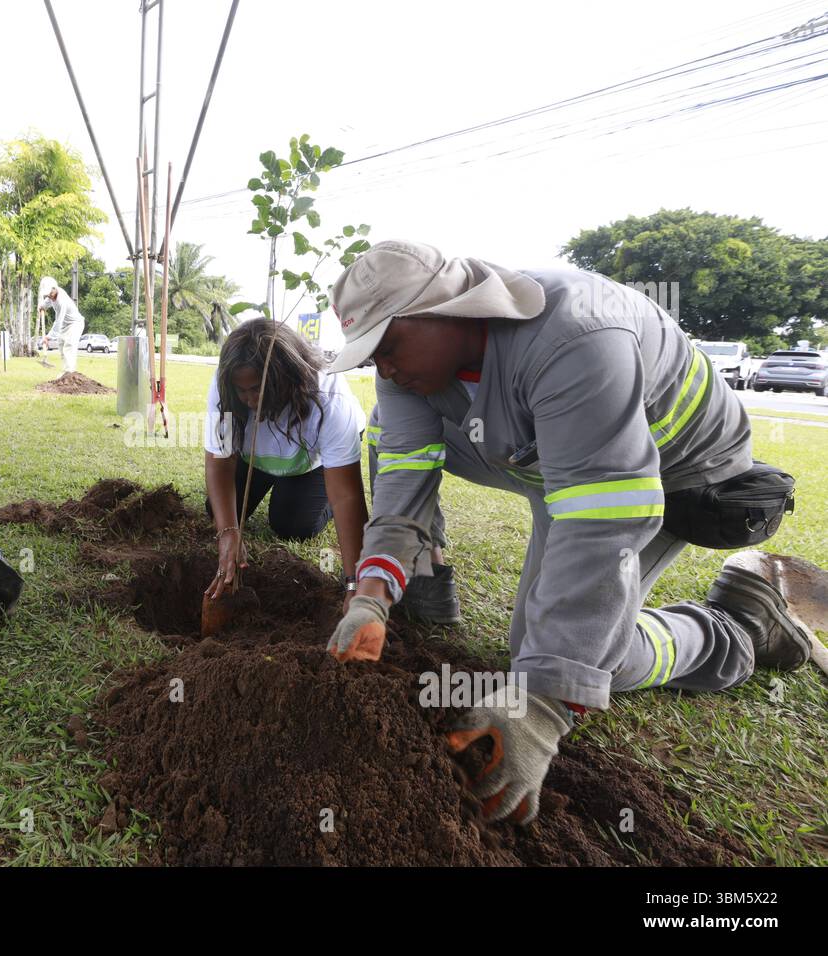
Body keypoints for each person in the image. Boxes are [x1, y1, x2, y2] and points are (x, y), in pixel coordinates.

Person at [325, 239, 813, 825]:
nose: (384, 367)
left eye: (388, 345)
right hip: (554, 457)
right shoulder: (409, 377)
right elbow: (404, 475)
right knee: (386, 433)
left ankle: (732, 633)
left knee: (562, 657)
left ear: (446, 307)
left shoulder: (576, 335)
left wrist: (542, 706)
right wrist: (371, 595)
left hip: (673, 466)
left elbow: (601, 520)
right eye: (370, 355)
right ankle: (427, 587)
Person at [203, 319, 367, 606]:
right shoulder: (225, 386)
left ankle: (312, 495)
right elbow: (220, 461)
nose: (250, 400)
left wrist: (356, 583)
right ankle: (272, 481)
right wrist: (228, 533)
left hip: (309, 462)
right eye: (243, 391)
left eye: (258, 389)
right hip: (258, 458)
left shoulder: (328, 394)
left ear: (287, 377)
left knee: (293, 525)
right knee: (216, 510)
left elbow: (346, 494)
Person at [38, 275, 85, 373]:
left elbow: (58, 321)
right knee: (61, 344)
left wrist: (48, 337)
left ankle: (70, 373)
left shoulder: (61, 301)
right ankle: (66, 372)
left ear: (54, 288)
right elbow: (47, 302)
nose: (49, 296)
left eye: (50, 293)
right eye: (47, 294)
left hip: (75, 324)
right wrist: (42, 306)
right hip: (65, 324)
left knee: (69, 345)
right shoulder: (51, 295)